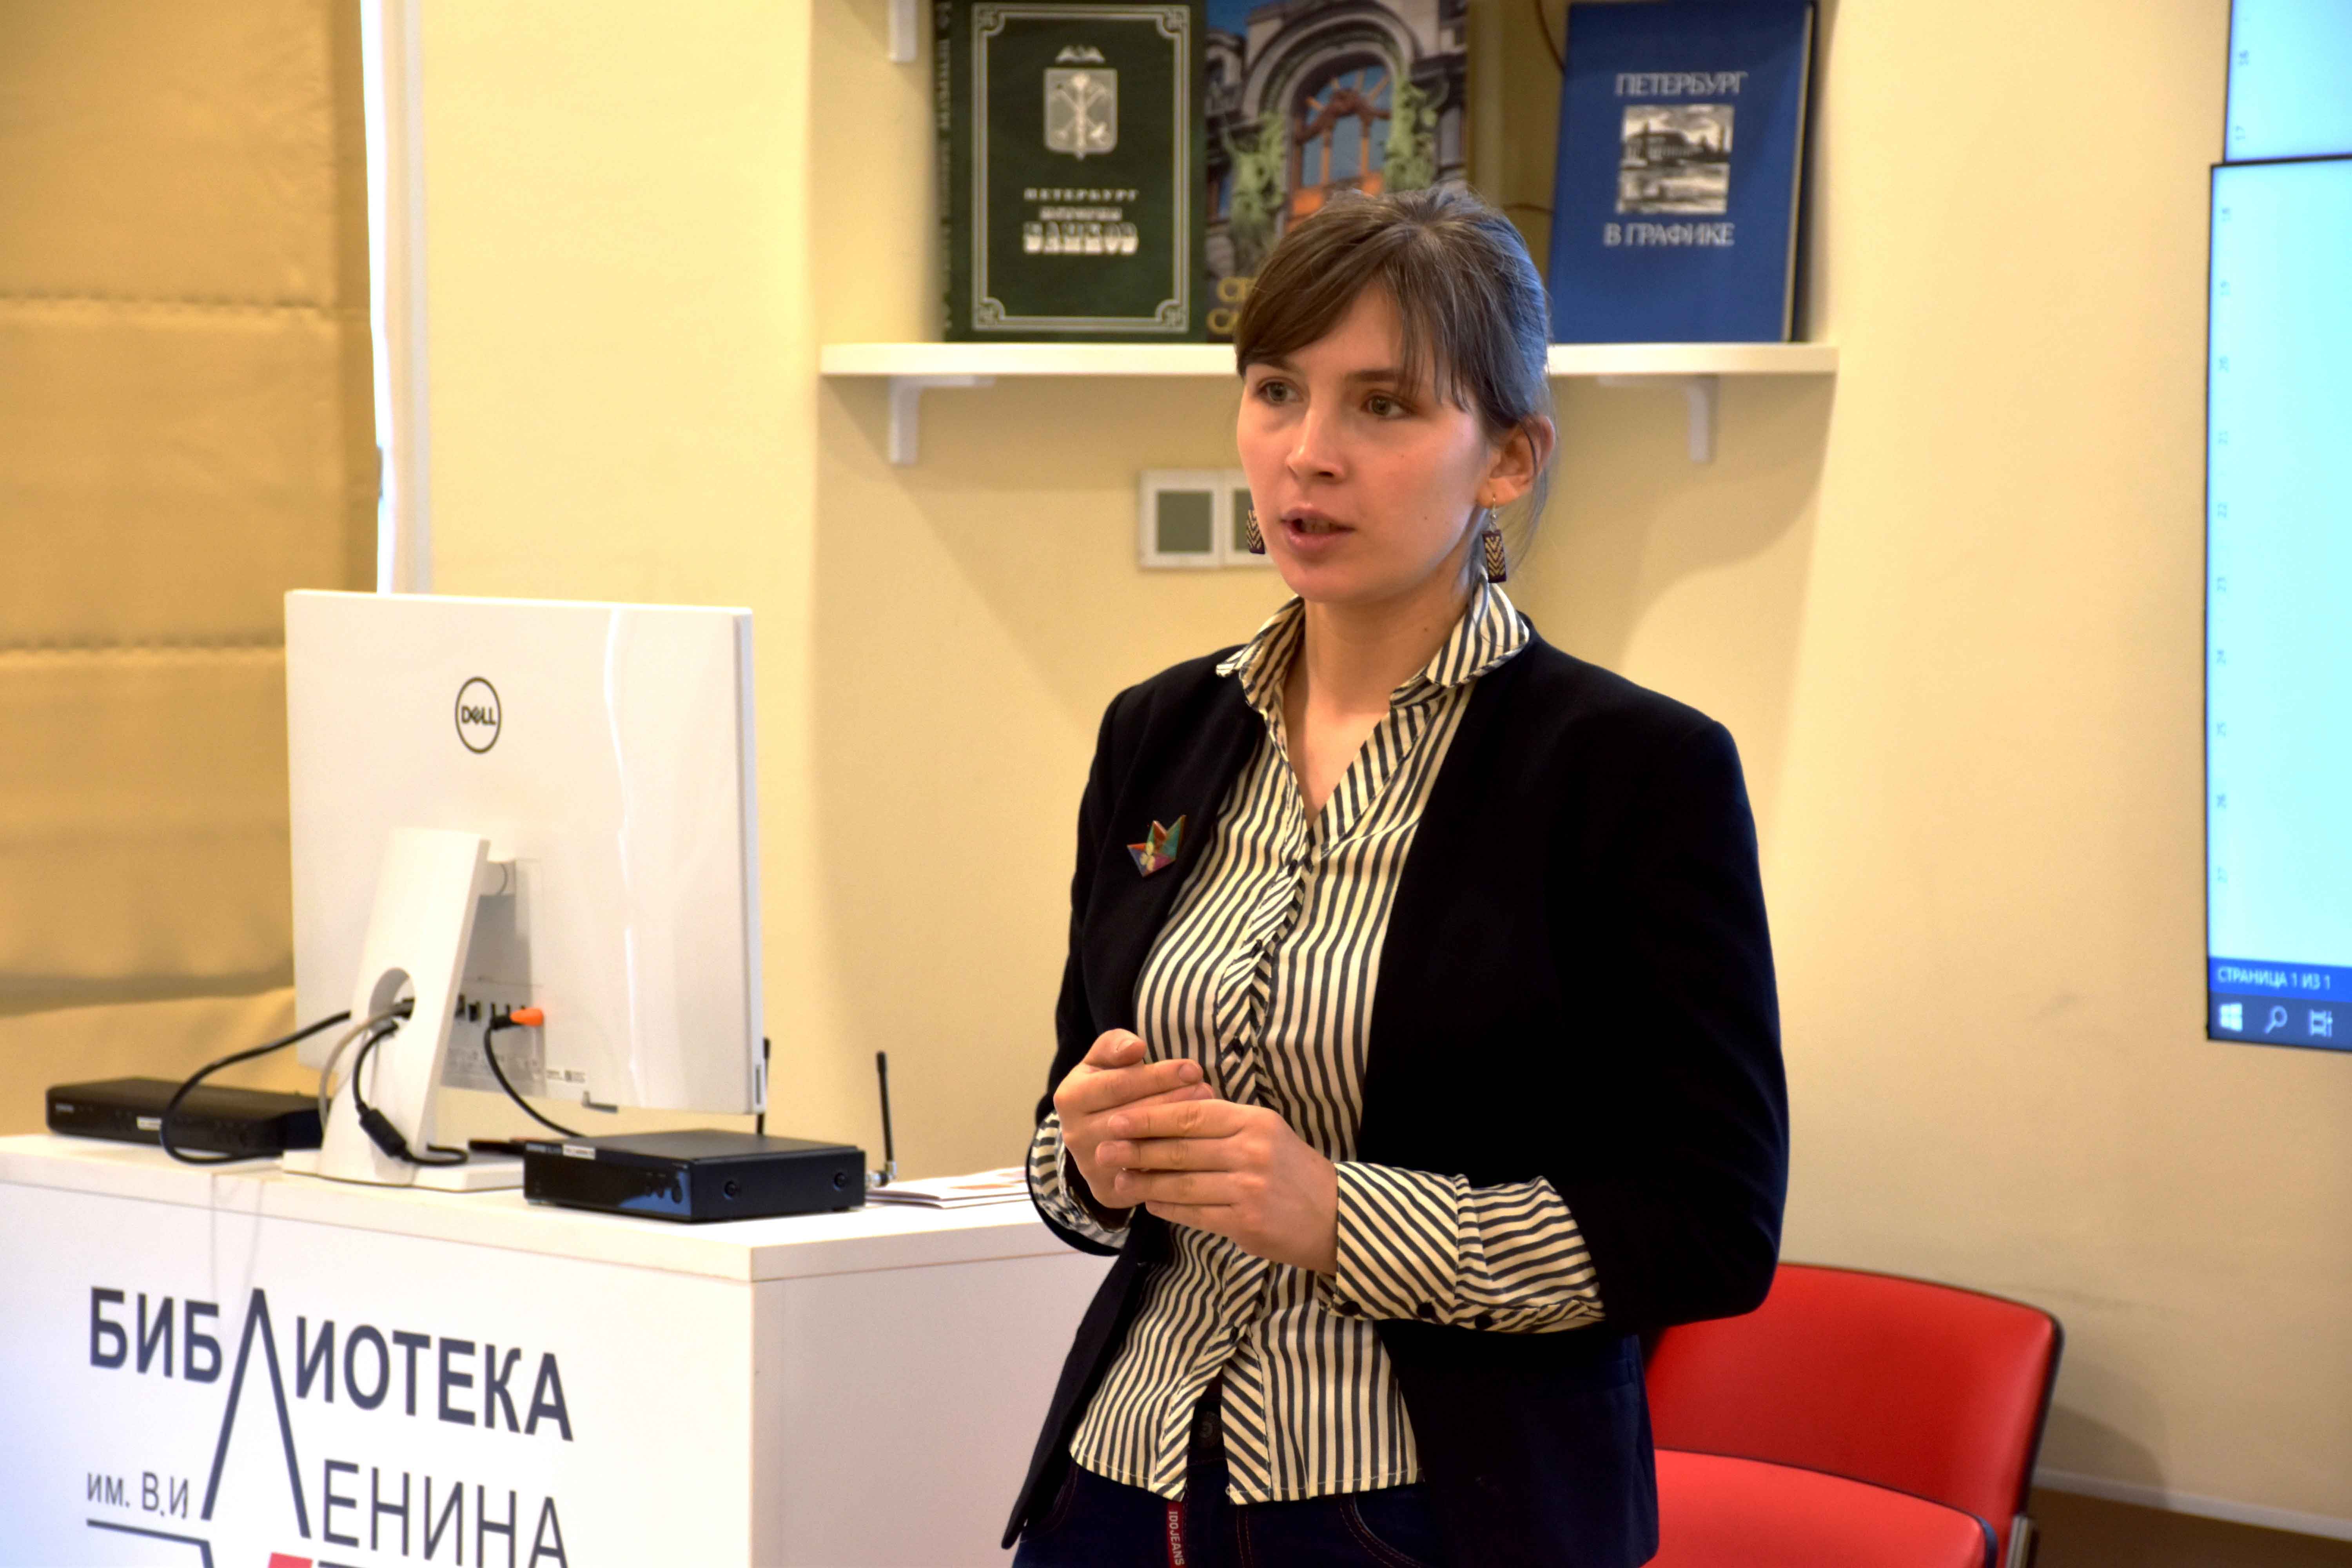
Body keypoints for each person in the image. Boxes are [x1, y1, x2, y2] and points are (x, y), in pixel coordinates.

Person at [1003, 187, 1788, 1568]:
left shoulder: (1633, 770)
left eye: (1383, 405)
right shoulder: (1157, 732)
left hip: (1431, 1509)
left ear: (1509, 458)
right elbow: (1078, 1112)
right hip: (1120, 1483)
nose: (1308, 455)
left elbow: (1709, 1226)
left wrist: (1339, 1215)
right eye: (1276, 392)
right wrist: (1087, 1158)